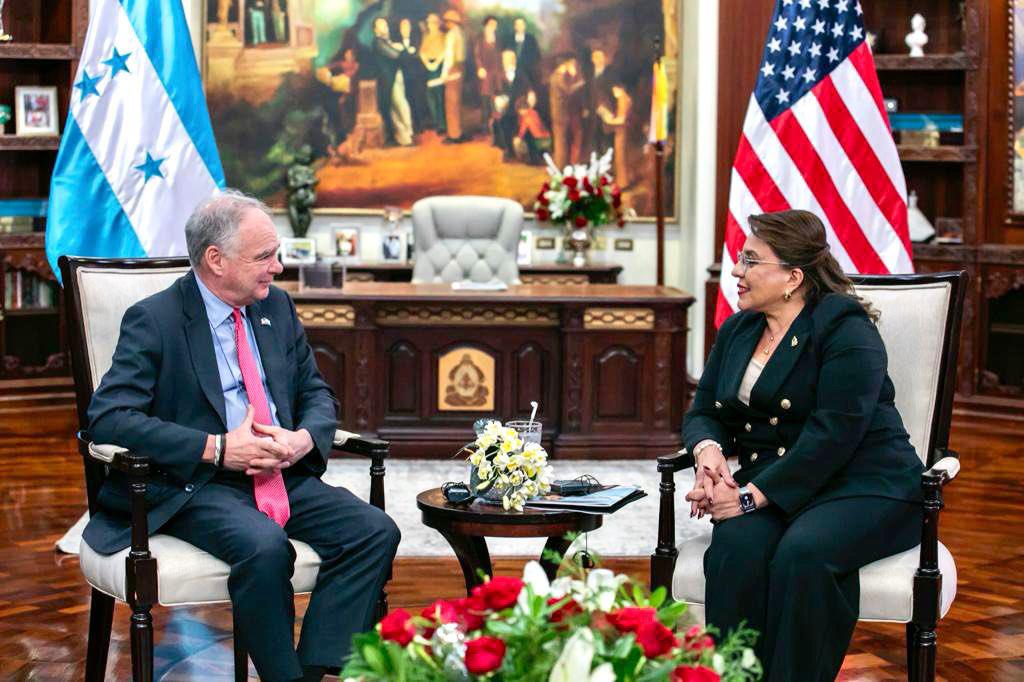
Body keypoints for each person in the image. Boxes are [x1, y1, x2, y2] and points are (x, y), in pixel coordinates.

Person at [84, 190, 401, 682]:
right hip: (198, 482)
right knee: (265, 545)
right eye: (264, 256)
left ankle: (306, 672)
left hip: (280, 470)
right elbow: (108, 417)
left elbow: (317, 394)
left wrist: (301, 440)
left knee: (374, 532)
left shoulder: (275, 308)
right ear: (216, 260)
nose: (277, 267)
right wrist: (217, 448)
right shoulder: (157, 319)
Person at [683, 210, 924, 681]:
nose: (736, 270)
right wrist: (708, 453)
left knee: (803, 555)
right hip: (781, 483)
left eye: (750, 260)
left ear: (793, 277)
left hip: (865, 483)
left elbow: (834, 435)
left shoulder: (845, 327)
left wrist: (747, 497)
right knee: (736, 548)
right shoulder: (739, 329)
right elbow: (704, 411)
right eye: (740, 257)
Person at [549, 54, 586, 168]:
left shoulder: (556, 76)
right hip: (561, 114)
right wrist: (581, 83)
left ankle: (561, 166)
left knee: (562, 141)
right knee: (561, 142)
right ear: (564, 65)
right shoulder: (558, 77)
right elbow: (568, 91)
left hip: (560, 114)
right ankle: (560, 167)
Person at [440, 9, 466, 143]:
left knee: (451, 103)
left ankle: (454, 135)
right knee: (457, 102)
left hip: (452, 70)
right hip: (460, 70)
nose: (445, 24)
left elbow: (449, 57)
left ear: (451, 22)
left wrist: (444, 75)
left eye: (447, 21)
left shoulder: (451, 35)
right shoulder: (460, 34)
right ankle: (458, 132)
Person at [475, 15, 503, 137]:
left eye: (495, 25)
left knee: (497, 100)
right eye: (491, 24)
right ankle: (485, 128)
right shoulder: (480, 40)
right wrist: (480, 68)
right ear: (485, 26)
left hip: (497, 74)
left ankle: (498, 127)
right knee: (486, 100)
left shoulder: (499, 40)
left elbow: (501, 56)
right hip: (486, 74)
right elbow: (477, 56)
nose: (493, 27)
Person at [419, 12, 447, 134]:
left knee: (440, 97)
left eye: (434, 22)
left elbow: (446, 51)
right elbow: (422, 52)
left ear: (438, 24)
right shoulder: (426, 37)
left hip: (439, 67)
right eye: (430, 22)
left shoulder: (443, 36)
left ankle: (442, 125)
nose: (432, 25)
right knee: (431, 98)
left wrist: (436, 63)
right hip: (429, 68)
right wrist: (427, 64)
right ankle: (437, 123)